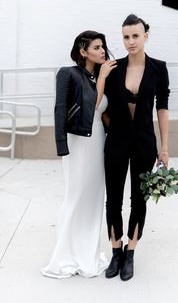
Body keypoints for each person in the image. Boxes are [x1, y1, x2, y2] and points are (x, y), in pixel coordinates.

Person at [41, 30, 117, 278]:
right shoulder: (69, 74)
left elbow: (104, 113)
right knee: (75, 195)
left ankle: (88, 253)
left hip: (98, 142)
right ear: (83, 51)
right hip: (78, 143)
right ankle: (65, 255)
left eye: (102, 46)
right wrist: (61, 145)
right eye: (96, 47)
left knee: (94, 198)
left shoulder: (100, 76)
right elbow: (62, 109)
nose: (102, 51)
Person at [104, 14, 170, 281]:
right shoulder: (113, 68)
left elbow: (162, 108)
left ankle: (131, 252)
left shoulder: (158, 68)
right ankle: (115, 251)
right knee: (114, 199)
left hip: (144, 143)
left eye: (135, 35)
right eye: (125, 36)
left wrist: (164, 147)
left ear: (146, 36)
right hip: (116, 142)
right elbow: (102, 107)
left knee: (139, 199)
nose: (130, 41)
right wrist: (113, 129)